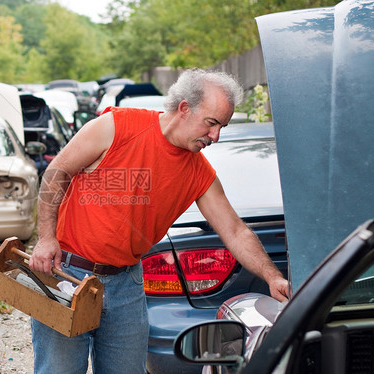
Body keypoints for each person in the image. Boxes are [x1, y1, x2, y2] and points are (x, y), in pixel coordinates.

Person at [29, 68, 289, 373]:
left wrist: (272, 277)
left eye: (222, 127)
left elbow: (235, 231)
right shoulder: (117, 127)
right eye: (212, 123)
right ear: (184, 109)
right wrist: (46, 238)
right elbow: (56, 173)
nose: (216, 136)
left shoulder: (198, 172)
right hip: (67, 274)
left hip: (127, 284)